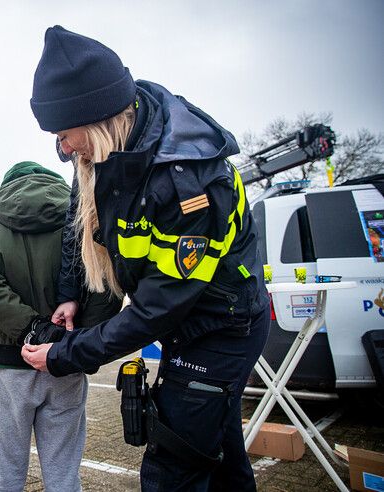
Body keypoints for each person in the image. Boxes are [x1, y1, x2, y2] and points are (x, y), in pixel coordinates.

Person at [21, 26, 270, 492]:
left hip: (221, 327)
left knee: (173, 466)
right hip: (185, 321)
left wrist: (64, 356)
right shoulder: (100, 156)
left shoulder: (187, 183)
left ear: (94, 118)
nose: (64, 148)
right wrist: (70, 295)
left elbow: (158, 308)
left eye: (66, 134)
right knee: (219, 457)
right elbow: (86, 228)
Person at [0, 161, 121, 492]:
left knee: (6, 476)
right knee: (63, 475)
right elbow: (106, 285)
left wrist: (33, 331)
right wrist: (78, 344)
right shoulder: (84, 218)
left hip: (9, 363)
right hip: (65, 361)